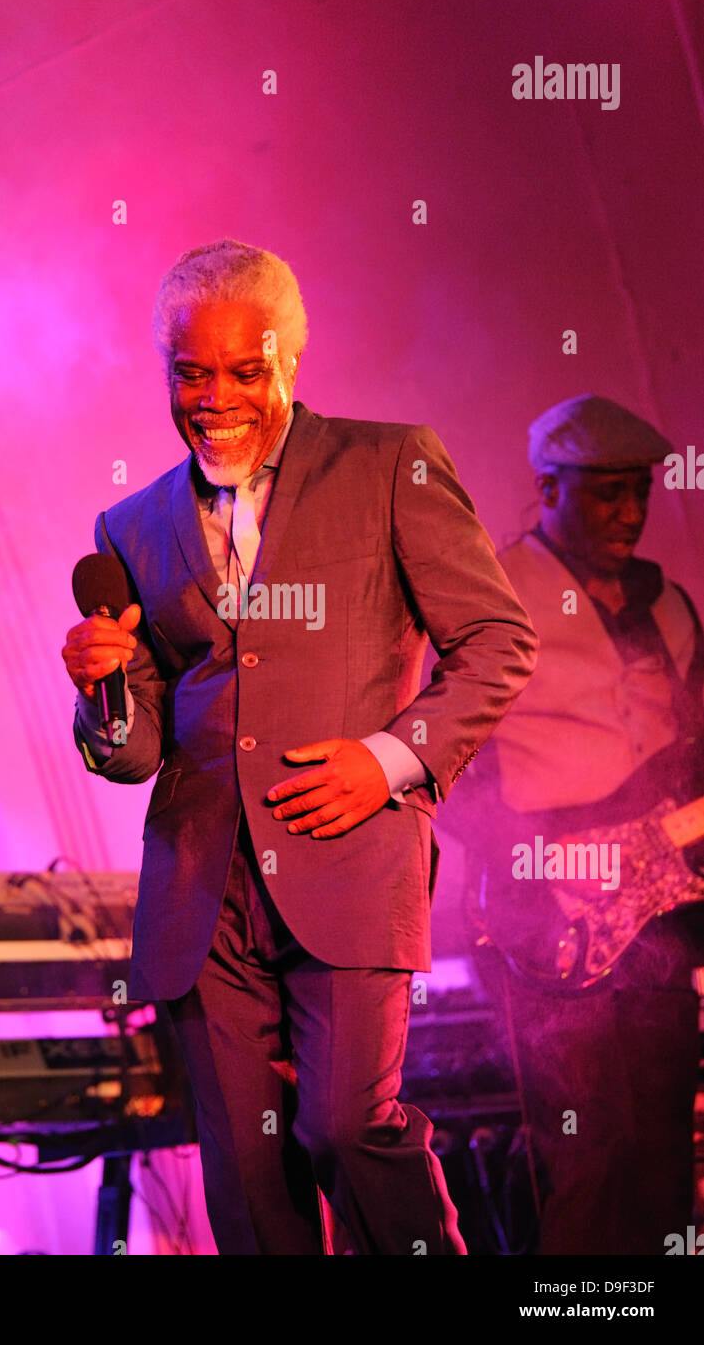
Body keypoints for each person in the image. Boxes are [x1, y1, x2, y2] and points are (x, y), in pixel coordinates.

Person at [61, 239, 538, 1255]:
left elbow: (499, 640)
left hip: (348, 856)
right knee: (246, 1174)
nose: (216, 397)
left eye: (245, 370)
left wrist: (391, 757)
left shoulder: (388, 463)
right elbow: (136, 746)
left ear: (290, 361)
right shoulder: (132, 522)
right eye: (192, 373)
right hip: (201, 886)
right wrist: (104, 686)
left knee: (343, 1127)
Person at [445, 394, 704, 1255]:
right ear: (546, 488)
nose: (631, 512)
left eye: (639, 491)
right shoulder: (491, 596)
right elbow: (444, 768)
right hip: (545, 904)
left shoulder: (669, 605)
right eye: (605, 493)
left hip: (663, 907)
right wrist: (532, 870)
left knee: (665, 1149)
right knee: (587, 1154)